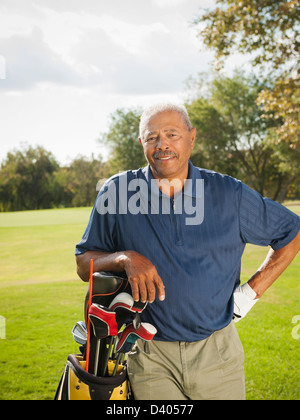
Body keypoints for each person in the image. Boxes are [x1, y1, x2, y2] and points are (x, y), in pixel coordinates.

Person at [75, 103, 300, 400]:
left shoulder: (228, 193)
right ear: (141, 142)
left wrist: (249, 294)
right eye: (152, 136)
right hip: (149, 354)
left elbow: (291, 231)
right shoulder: (117, 193)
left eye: (172, 134)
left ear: (191, 138)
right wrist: (124, 258)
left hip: (217, 353)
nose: (162, 144)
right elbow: (83, 264)